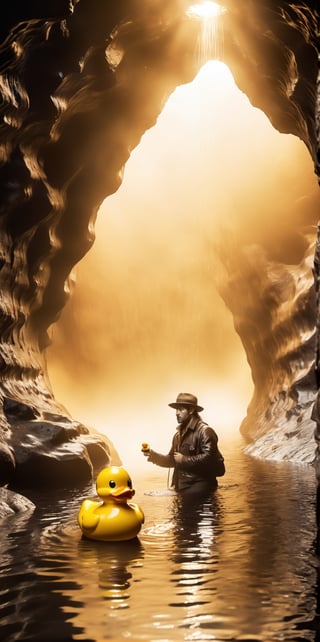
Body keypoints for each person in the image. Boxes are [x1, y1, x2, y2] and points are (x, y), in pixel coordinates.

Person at [142, 392, 224, 498]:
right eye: (176, 410)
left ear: (191, 410)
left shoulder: (205, 431)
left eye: (181, 409)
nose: (177, 413)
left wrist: (184, 459)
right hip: (183, 488)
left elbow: (209, 458)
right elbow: (172, 460)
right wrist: (152, 455)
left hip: (202, 487)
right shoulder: (178, 435)